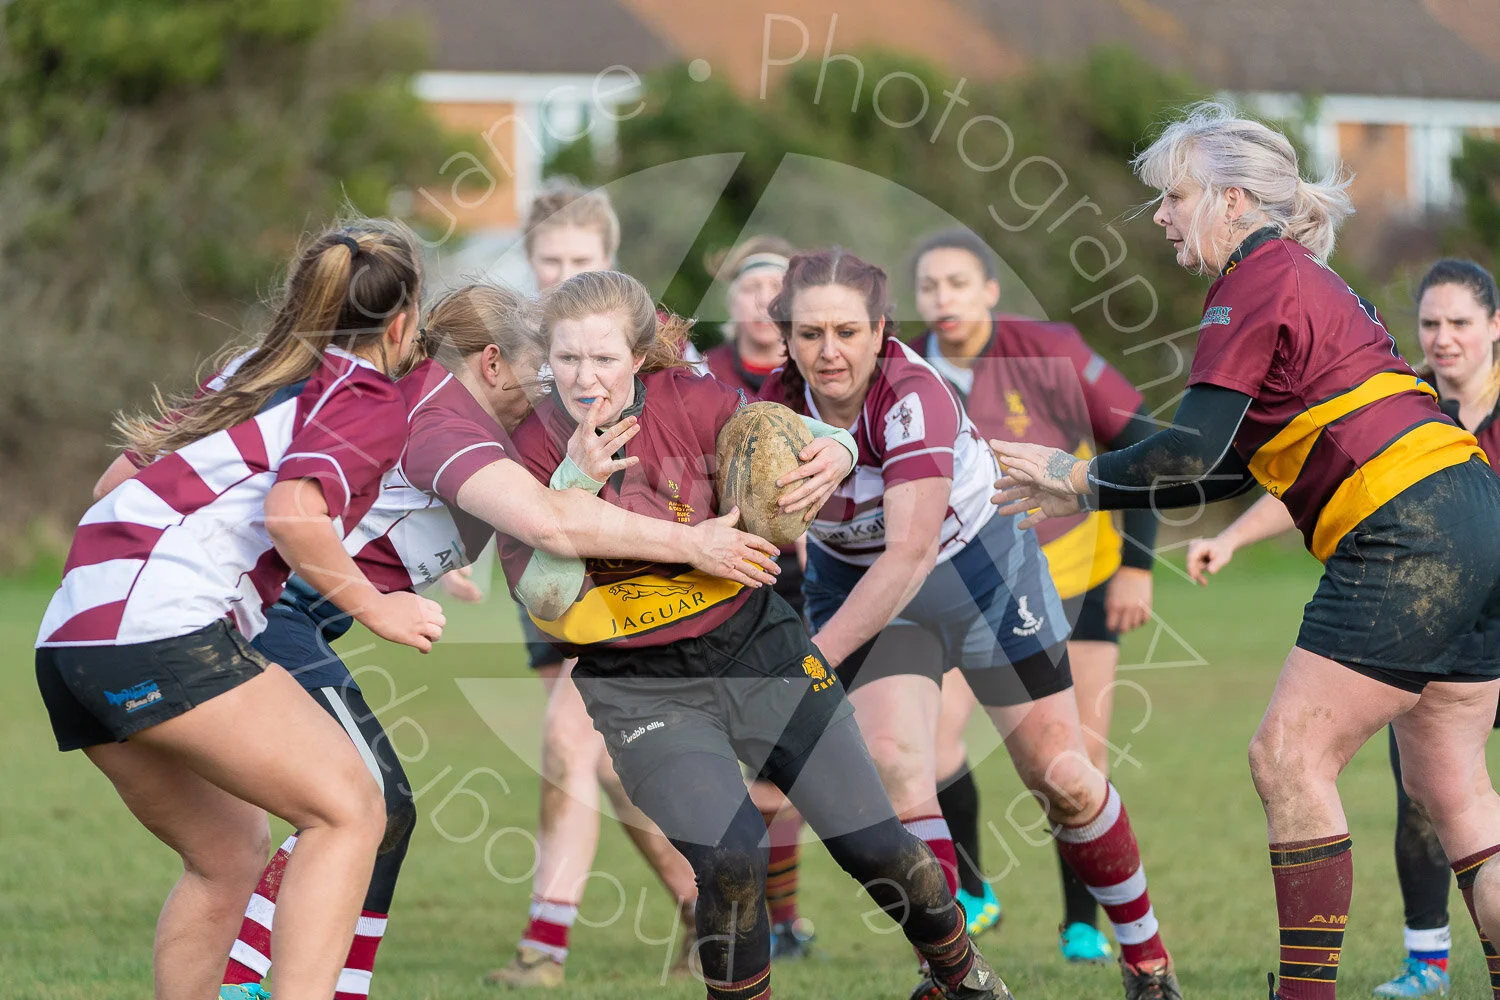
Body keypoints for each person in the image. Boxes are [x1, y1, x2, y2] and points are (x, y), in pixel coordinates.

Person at [989, 103, 1500, 1000]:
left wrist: (1076, 479)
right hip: (1474, 513)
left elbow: (1188, 450)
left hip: (1406, 531)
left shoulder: (1253, 279)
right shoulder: (1302, 277)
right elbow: (1225, 470)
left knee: (1287, 758)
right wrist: (1093, 482)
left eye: (1173, 196)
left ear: (1231, 201)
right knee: (1454, 792)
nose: (1160, 216)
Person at [499, 267, 1014, 1000]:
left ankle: (961, 975)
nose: (586, 378)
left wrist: (835, 446)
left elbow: (792, 432)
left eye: (604, 358)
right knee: (731, 857)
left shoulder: (692, 398)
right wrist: (572, 484)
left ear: (640, 354)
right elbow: (547, 601)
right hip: (641, 689)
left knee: (876, 847)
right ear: (546, 357)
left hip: (759, 650)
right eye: (568, 358)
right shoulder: (527, 447)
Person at [37, 220, 446, 1000]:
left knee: (228, 854)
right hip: (158, 631)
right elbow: (296, 513)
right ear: (401, 321)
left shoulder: (248, 370)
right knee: (353, 810)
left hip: (71, 636)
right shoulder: (361, 392)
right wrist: (376, 606)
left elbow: (110, 485)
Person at [763, 247, 1181, 1000]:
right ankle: (954, 974)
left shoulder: (912, 396)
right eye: (809, 332)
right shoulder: (772, 412)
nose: (830, 351)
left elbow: (911, 554)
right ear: (786, 336)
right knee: (896, 765)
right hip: (855, 583)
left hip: (975, 571)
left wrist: (808, 662)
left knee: (1062, 777)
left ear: (882, 329)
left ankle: (1147, 960)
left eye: (847, 332)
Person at [1182, 258, 1500, 1000]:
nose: (1444, 337)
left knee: (1306, 760)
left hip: (1441, 581)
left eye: (1459, 322)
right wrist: (1230, 540)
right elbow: (1314, 473)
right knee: (1442, 787)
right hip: (1455, 591)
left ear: (1494, 327)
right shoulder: (1412, 400)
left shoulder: (1395, 403)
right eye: (1430, 323)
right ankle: (1428, 959)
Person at [909, 228, 1160, 960]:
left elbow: (1137, 438)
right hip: (968, 583)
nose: (943, 299)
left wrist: (1139, 566)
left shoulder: (1047, 350)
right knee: (931, 741)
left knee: (1073, 763)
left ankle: (1082, 921)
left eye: (958, 283)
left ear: (990, 290)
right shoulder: (907, 369)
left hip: (1078, 575)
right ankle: (976, 891)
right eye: (930, 287)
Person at [491, 178, 701, 988]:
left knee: (568, 745)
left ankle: (544, 947)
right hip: (546, 577)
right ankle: (703, 902)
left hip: (631, 582)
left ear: (608, 264)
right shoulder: (517, 362)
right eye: (549, 260)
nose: (561, 273)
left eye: (579, 259)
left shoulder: (644, 354)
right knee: (609, 766)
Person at [703, 235, 816, 960]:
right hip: (709, 576)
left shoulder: (813, 371)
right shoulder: (700, 375)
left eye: (776, 288)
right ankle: (733, 913)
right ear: (733, 301)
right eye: (749, 287)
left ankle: (782, 920)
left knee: (785, 753)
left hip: (799, 580)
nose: (762, 302)